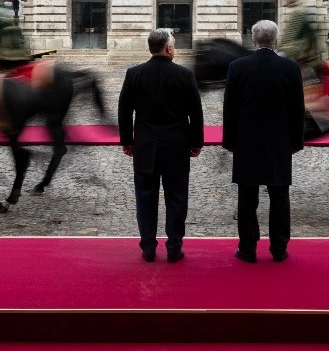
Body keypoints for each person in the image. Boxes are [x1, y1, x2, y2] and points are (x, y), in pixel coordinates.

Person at [222, 19, 305, 263]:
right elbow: (297, 110)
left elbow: (230, 109)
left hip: (246, 142)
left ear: (253, 39)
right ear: (275, 40)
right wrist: (296, 141)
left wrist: (229, 141)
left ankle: (247, 248)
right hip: (279, 142)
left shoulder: (237, 67)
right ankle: (279, 248)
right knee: (279, 195)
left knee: (247, 197)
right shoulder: (290, 68)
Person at [117, 28, 204, 263]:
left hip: (145, 146)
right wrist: (196, 143)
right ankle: (174, 246)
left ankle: (147, 247)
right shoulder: (184, 75)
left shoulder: (134, 74)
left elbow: (124, 110)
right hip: (176, 147)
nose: (174, 49)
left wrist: (127, 140)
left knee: (145, 197)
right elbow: (196, 113)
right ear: (168, 48)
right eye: (173, 45)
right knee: (176, 198)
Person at [280, 0, 321, 74]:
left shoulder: (299, 12)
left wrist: (280, 53)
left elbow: (301, 42)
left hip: (299, 61)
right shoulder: (296, 11)